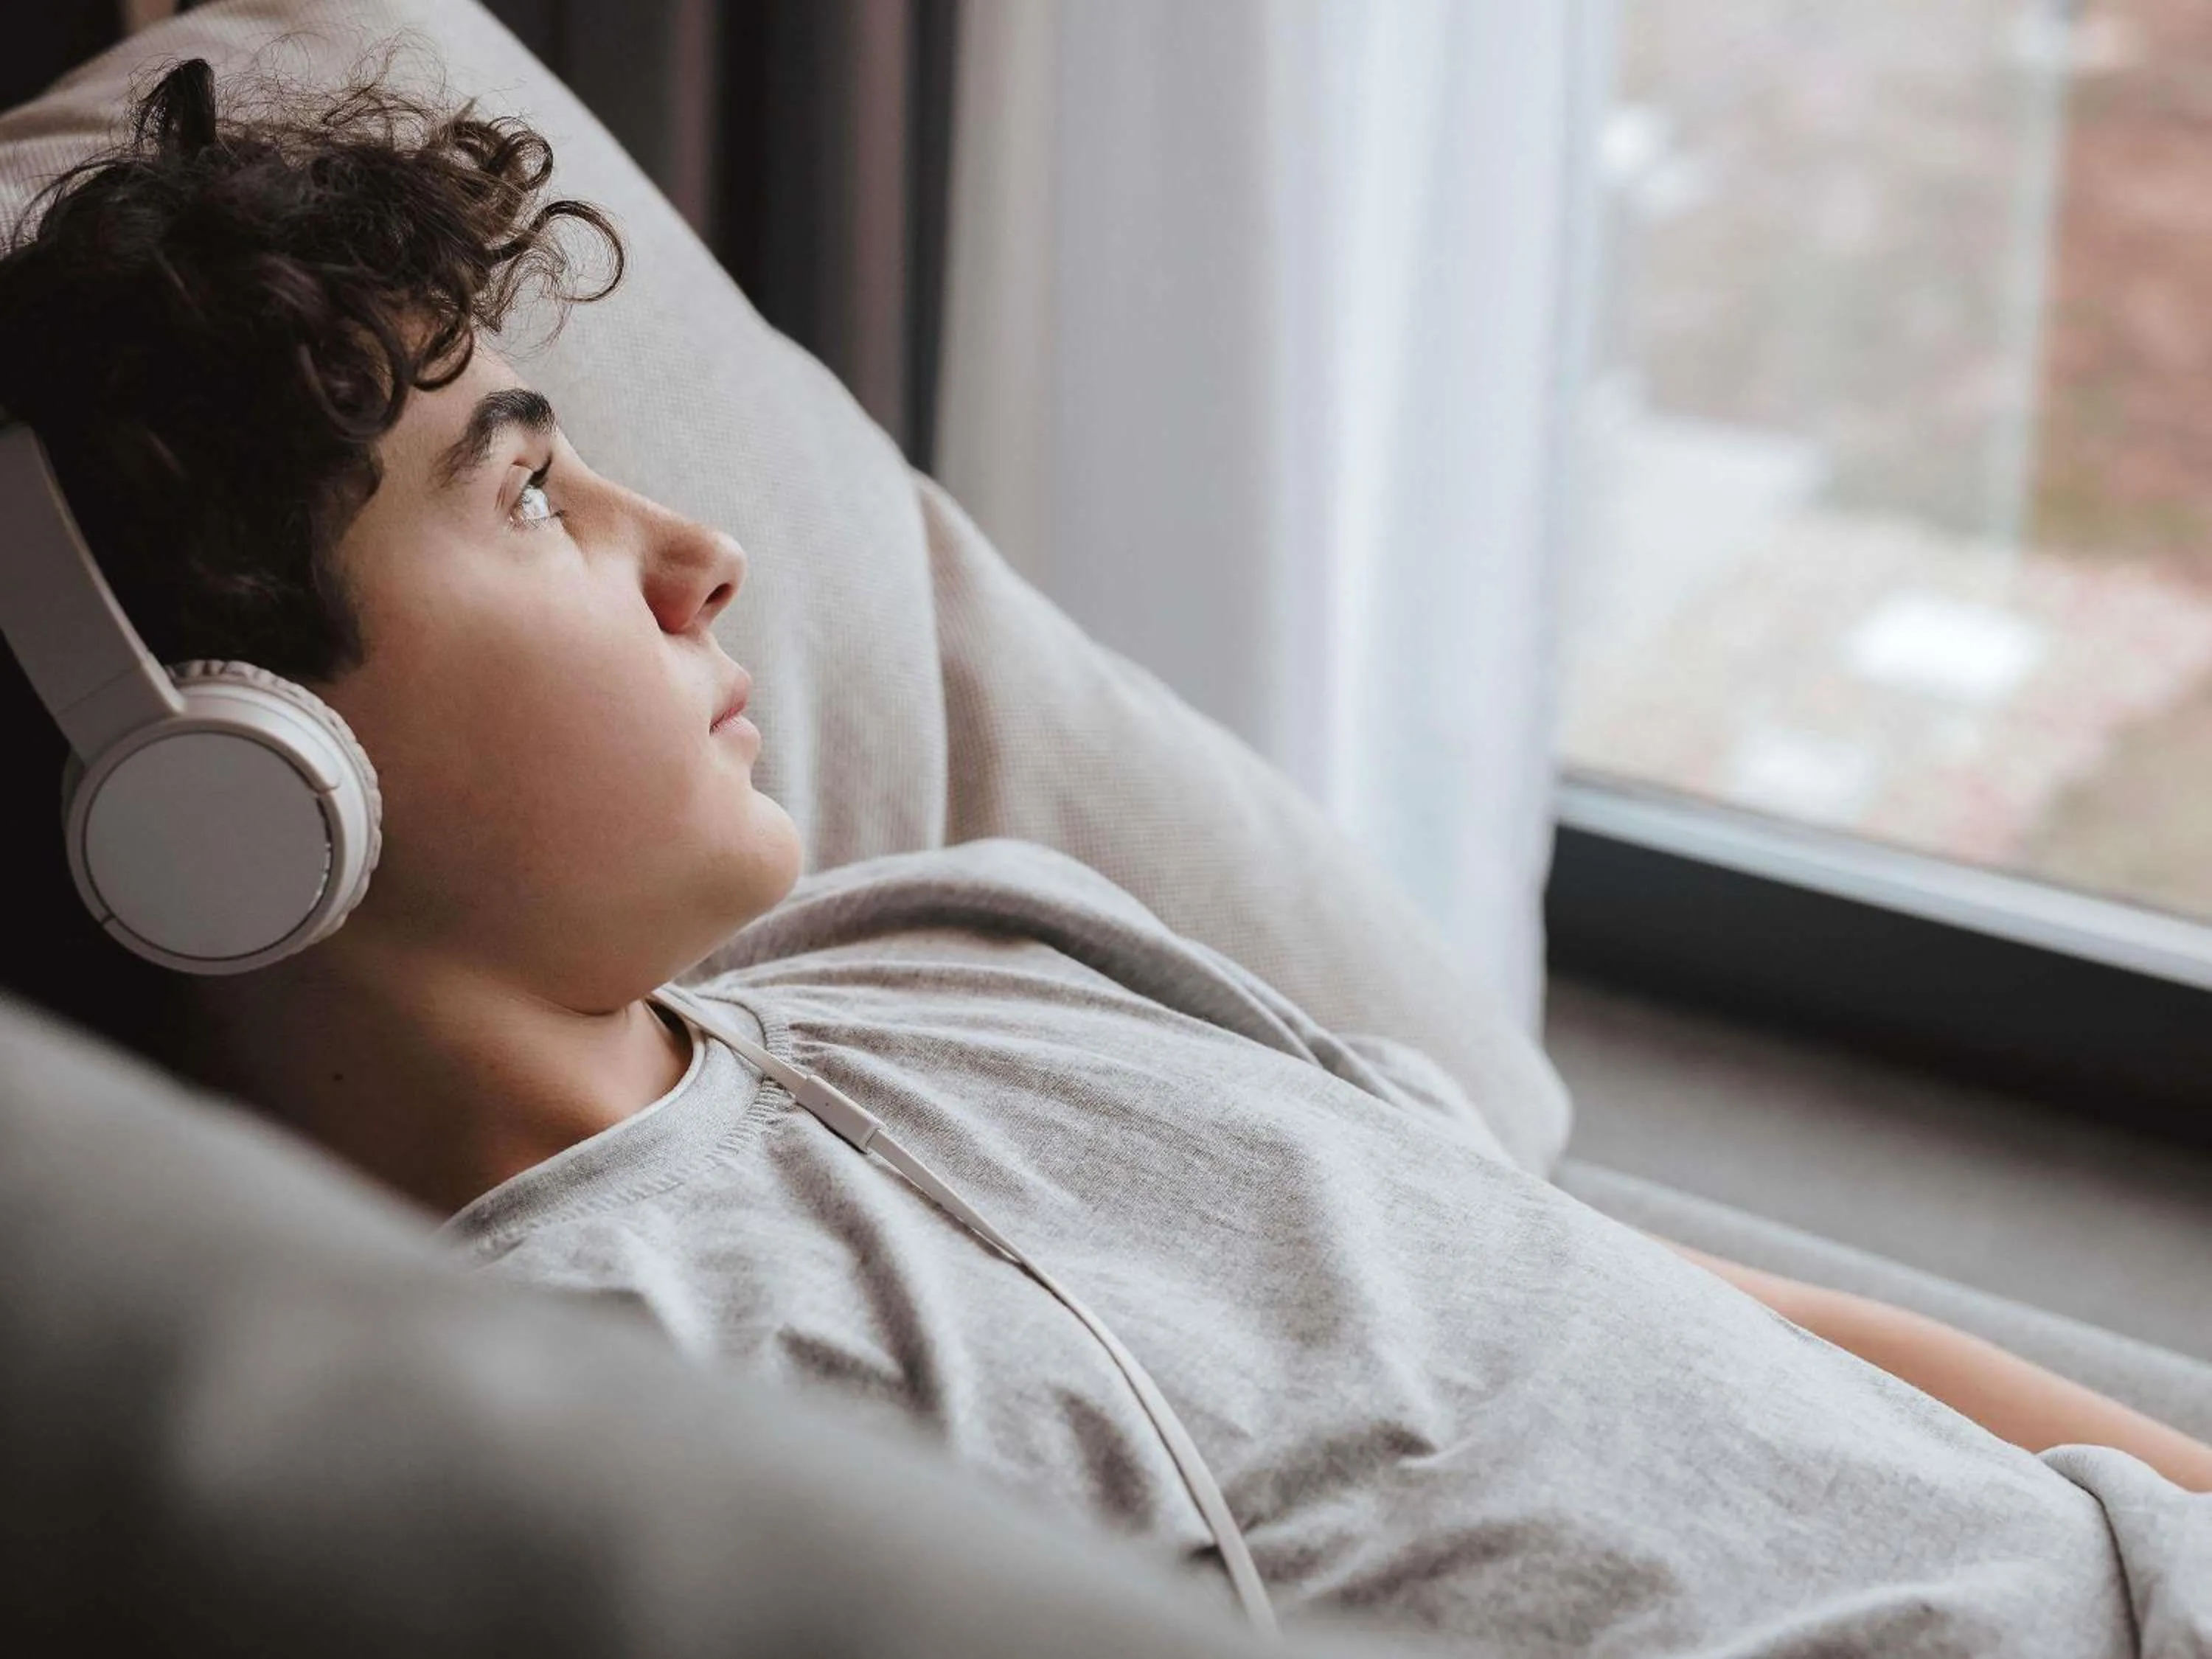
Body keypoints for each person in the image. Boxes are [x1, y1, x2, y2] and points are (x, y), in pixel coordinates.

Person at [3, 55, 2206, 1654]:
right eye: (528, 498)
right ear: (231, 791)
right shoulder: (599, 1436)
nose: (698, 551)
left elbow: (1687, 1304)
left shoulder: (973, 924)